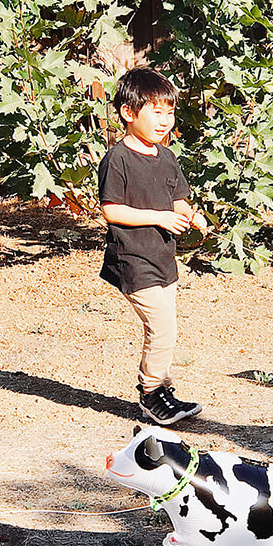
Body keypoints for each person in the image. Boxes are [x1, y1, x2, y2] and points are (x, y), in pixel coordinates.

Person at [99, 66, 208, 425]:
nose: (165, 121)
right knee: (162, 327)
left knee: (166, 326)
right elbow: (111, 210)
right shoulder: (118, 159)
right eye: (155, 112)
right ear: (128, 114)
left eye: (169, 112)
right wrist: (159, 218)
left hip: (163, 257)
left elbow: (178, 198)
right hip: (132, 259)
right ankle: (150, 395)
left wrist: (190, 215)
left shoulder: (166, 157)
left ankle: (162, 389)